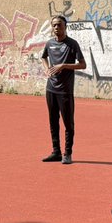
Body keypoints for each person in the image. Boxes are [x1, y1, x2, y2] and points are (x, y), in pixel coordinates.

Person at [39, 15, 87, 164]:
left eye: (59, 25)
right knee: (53, 121)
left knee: (68, 123)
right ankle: (56, 152)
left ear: (65, 26)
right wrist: (47, 69)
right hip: (51, 89)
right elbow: (43, 57)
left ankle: (68, 153)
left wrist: (64, 65)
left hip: (65, 91)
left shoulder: (72, 44)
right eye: (54, 25)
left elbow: (83, 64)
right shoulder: (49, 44)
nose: (56, 28)